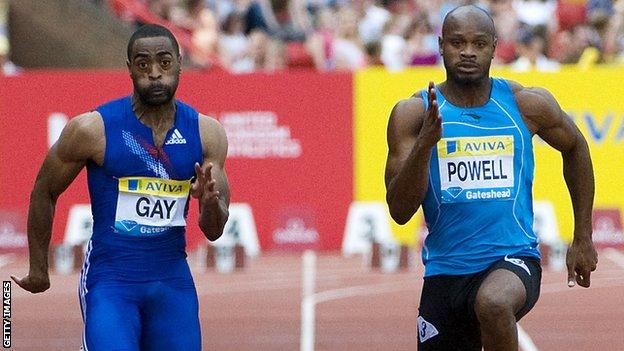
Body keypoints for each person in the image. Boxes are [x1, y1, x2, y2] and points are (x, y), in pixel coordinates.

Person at [384, 5, 597, 351]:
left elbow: (576, 148)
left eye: (479, 44)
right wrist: (425, 144)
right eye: (457, 43)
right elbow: (400, 210)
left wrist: (583, 237)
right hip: (445, 272)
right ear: (440, 46)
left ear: (495, 48)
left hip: (512, 260)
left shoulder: (525, 105)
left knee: (494, 304)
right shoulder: (413, 114)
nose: (468, 52)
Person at [11, 24, 230, 350]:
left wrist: (211, 205)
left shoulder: (206, 133)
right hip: (111, 283)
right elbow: (44, 190)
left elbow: (213, 231)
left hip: (172, 283)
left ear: (180, 63)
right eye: (144, 65)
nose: (155, 74)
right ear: (129, 69)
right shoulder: (92, 130)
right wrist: (38, 268)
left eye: (164, 63)